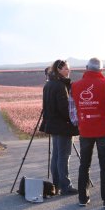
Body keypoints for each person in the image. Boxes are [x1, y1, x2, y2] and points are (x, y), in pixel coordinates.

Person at [69, 57, 105, 208]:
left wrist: (79, 124)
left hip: (85, 131)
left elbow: (72, 111)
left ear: (86, 68)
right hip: (103, 131)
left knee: (84, 165)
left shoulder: (74, 86)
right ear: (101, 70)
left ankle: (83, 198)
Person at [39, 60, 79, 195]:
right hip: (63, 126)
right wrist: (74, 120)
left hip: (53, 125)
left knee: (56, 155)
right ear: (59, 69)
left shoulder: (48, 84)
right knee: (63, 156)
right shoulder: (60, 86)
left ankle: (56, 185)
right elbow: (64, 109)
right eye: (67, 68)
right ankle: (65, 186)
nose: (69, 71)